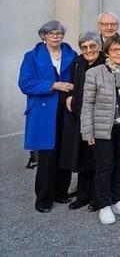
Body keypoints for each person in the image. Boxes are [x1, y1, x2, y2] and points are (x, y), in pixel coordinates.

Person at [19, 21, 77, 213]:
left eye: (59, 32)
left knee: (65, 151)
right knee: (47, 156)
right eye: (51, 33)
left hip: (67, 108)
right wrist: (53, 85)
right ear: (43, 36)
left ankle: (61, 193)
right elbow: (25, 84)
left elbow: (79, 78)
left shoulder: (71, 54)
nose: (55, 36)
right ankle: (43, 199)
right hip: (44, 111)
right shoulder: (32, 57)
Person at [80, 34, 120, 225]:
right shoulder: (94, 73)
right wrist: (87, 132)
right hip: (102, 128)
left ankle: (118, 200)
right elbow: (87, 104)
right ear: (107, 52)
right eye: (115, 49)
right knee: (105, 166)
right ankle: (104, 205)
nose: (119, 52)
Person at [59, 31, 105, 211]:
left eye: (92, 46)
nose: (88, 50)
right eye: (84, 47)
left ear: (99, 46)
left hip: (98, 117)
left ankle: (96, 198)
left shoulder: (105, 63)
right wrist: (68, 97)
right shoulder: (77, 63)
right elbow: (69, 85)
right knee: (82, 158)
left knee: (97, 159)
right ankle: (82, 196)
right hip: (78, 116)